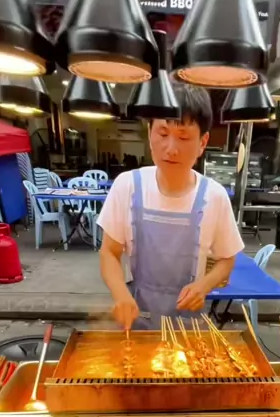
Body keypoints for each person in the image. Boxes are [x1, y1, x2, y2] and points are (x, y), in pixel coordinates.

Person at [99, 84, 244, 330]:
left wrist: (204, 285)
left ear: (203, 142)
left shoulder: (215, 196)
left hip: (189, 327)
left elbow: (227, 260)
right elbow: (109, 252)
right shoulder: (127, 186)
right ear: (150, 133)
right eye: (163, 134)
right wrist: (120, 294)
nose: (171, 148)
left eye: (184, 137)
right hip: (138, 323)